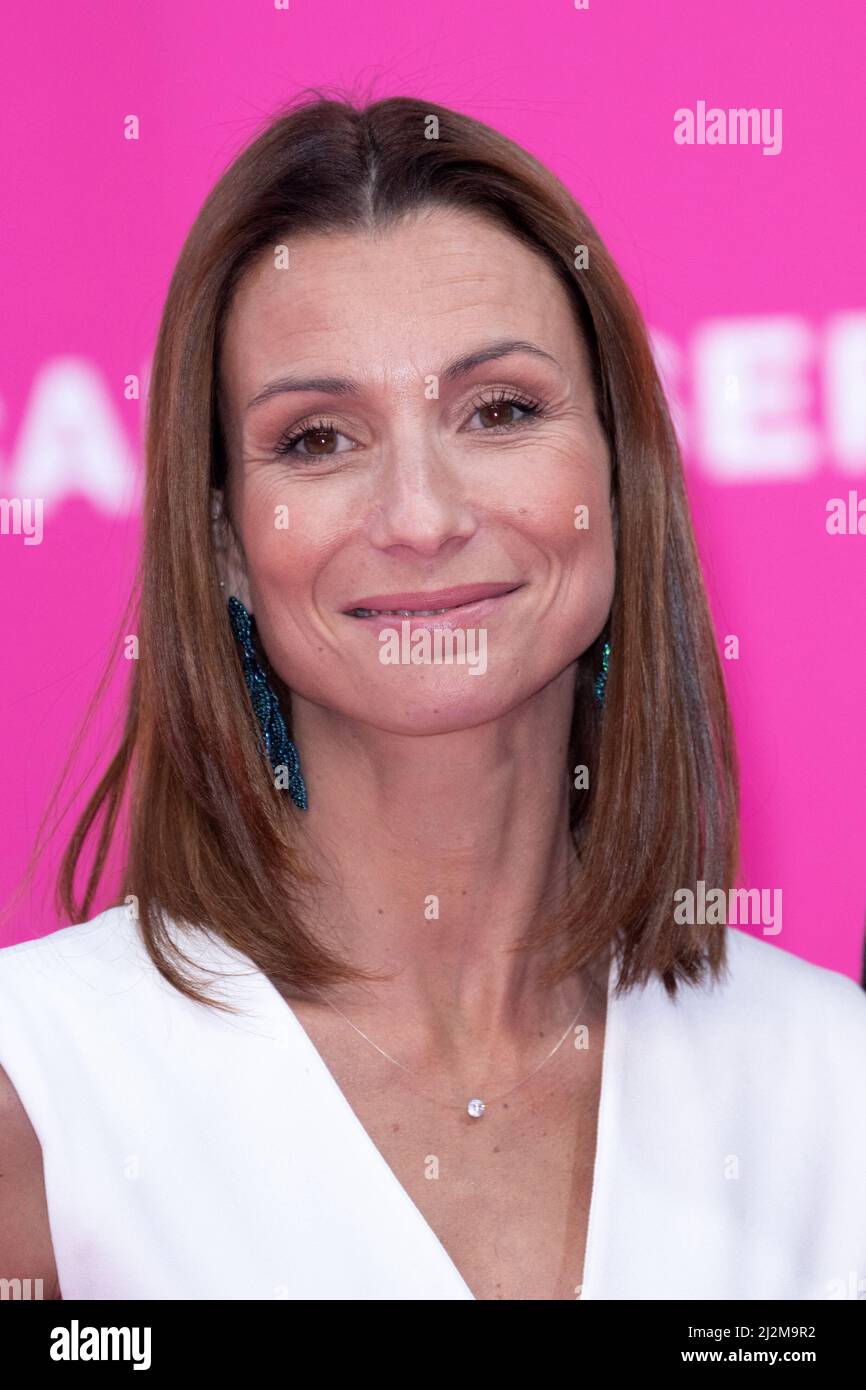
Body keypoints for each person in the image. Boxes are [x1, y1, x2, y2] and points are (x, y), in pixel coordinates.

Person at [1, 90, 864, 1302]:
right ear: (225, 545)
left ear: (618, 479)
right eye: (316, 439)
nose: (419, 517)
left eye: (498, 411)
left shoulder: (832, 1088)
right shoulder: (37, 1099)